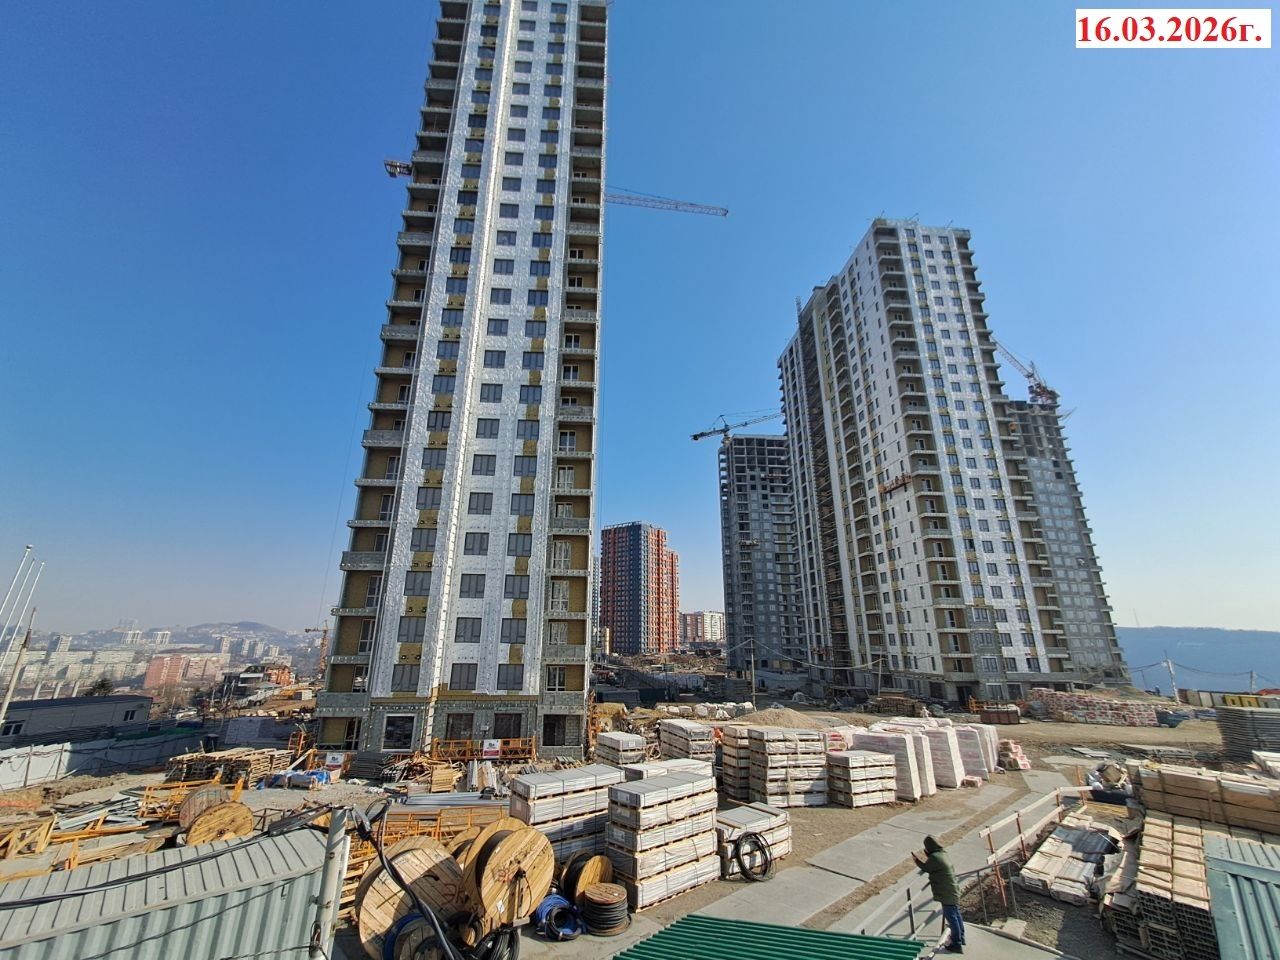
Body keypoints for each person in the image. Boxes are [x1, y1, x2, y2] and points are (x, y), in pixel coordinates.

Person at [913, 835, 964, 953]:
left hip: (947, 894)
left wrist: (916, 860)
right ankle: (961, 939)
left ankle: (957, 944)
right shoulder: (942, 854)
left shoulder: (935, 858)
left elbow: (926, 867)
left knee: (952, 918)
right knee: (956, 915)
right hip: (952, 891)